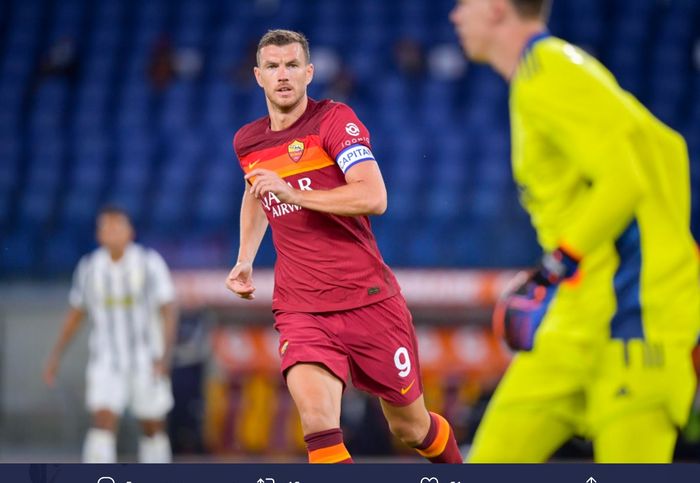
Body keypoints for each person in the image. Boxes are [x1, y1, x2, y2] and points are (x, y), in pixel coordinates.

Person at [450, 0, 700, 463]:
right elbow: (669, 151)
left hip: (635, 324)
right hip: (574, 323)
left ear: (498, 9)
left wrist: (551, 267)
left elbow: (627, 180)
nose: (455, 16)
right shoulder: (540, 77)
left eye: (465, 3)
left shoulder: (552, 72)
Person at [225, 29, 462, 464]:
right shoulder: (248, 142)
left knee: (412, 428)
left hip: (369, 301)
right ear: (258, 76)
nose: (283, 75)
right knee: (317, 420)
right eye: (273, 67)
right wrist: (244, 258)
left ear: (309, 73)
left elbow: (374, 196)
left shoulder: (334, 121)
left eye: (292, 65)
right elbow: (256, 190)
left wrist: (296, 194)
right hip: (302, 307)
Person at [44, 205, 177, 463]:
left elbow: (169, 308)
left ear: (131, 232)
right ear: (98, 235)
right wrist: (55, 355)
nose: (113, 231)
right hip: (106, 360)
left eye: (118, 226)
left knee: (152, 426)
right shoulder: (89, 268)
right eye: (107, 226)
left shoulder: (149, 263)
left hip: (146, 359)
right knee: (102, 422)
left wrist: (165, 356)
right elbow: (76, 313)